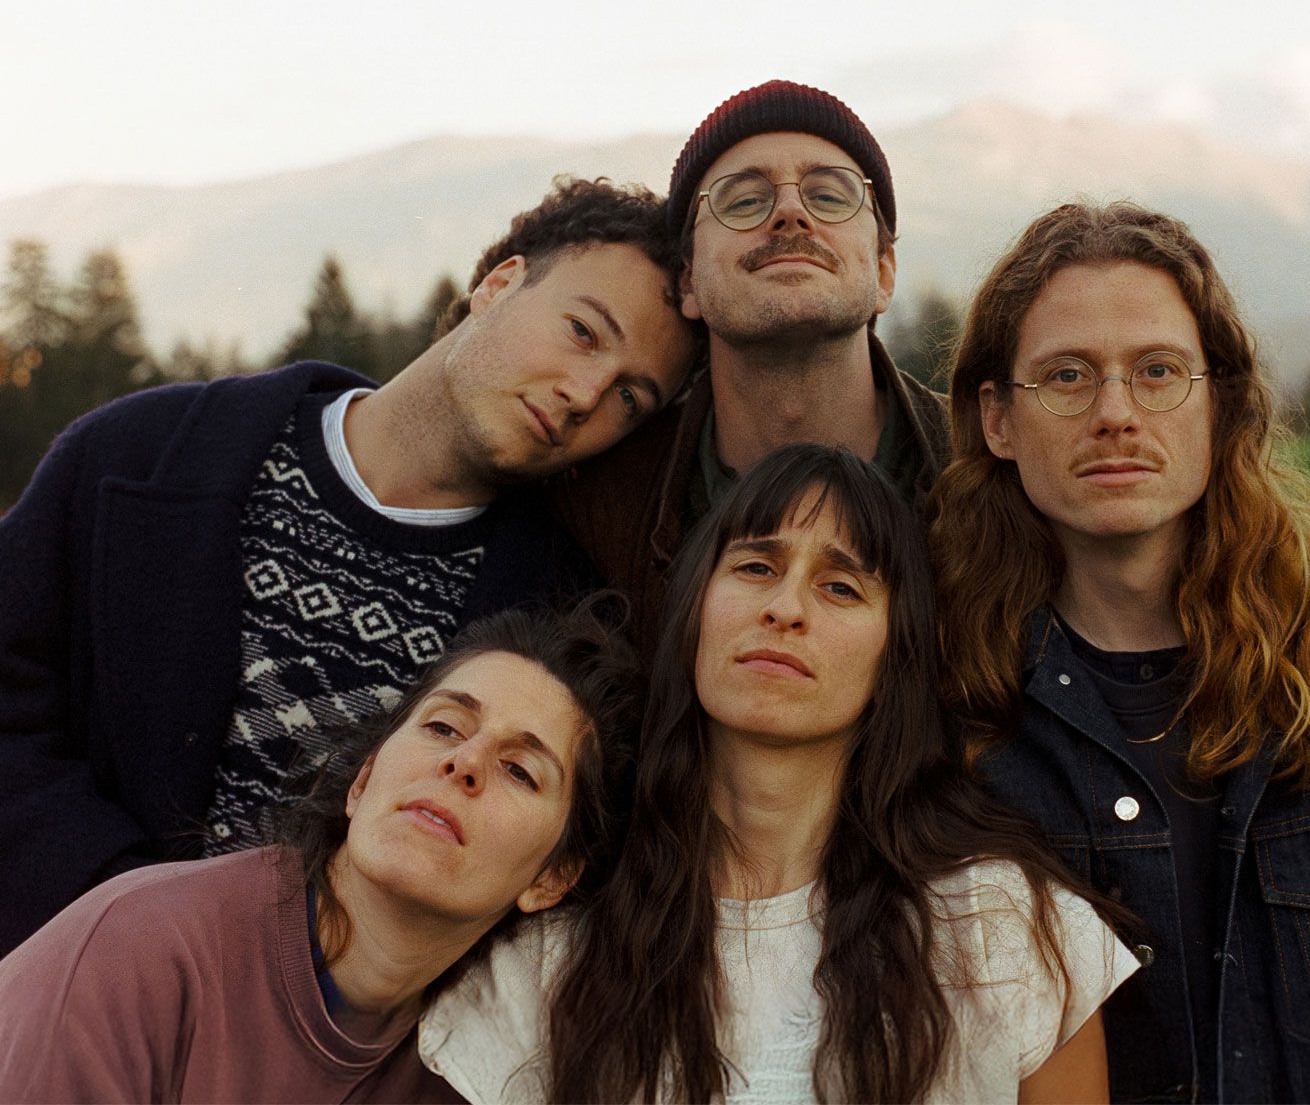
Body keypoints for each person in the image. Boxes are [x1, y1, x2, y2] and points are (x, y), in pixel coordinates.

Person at [0, 176, 696, 955]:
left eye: (630, 399)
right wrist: (126, 912)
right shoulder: (146, 452)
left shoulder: (553, 614)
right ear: (499, 285)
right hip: (52, 968)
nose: (585, 392)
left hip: (318, 1020)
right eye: (583, 331)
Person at [928, 201, 1310, 1102]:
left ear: (1220, 402)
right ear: (997, 419)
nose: (1115, 413)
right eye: (1067, 376)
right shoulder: (942, 691)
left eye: (1157, 371)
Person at [421, 445, 1137, 1104]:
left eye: (841, 588)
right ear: (695, 606)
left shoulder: (997, 926)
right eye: (756, 568)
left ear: (897, 652)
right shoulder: (553, 948)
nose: (785, 609)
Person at [0, 603, 641, 1102]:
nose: (464, 761)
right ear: (363, 781)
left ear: (552, 879)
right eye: (444, 725)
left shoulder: (471, 1069)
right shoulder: (138, 957)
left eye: (520, 770)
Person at [556, 81, 950, 655]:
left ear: (884, 274)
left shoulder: (989, 473)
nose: (790, 213)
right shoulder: (600, 499)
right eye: (743, 201)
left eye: (830, 197)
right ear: (688, 281)